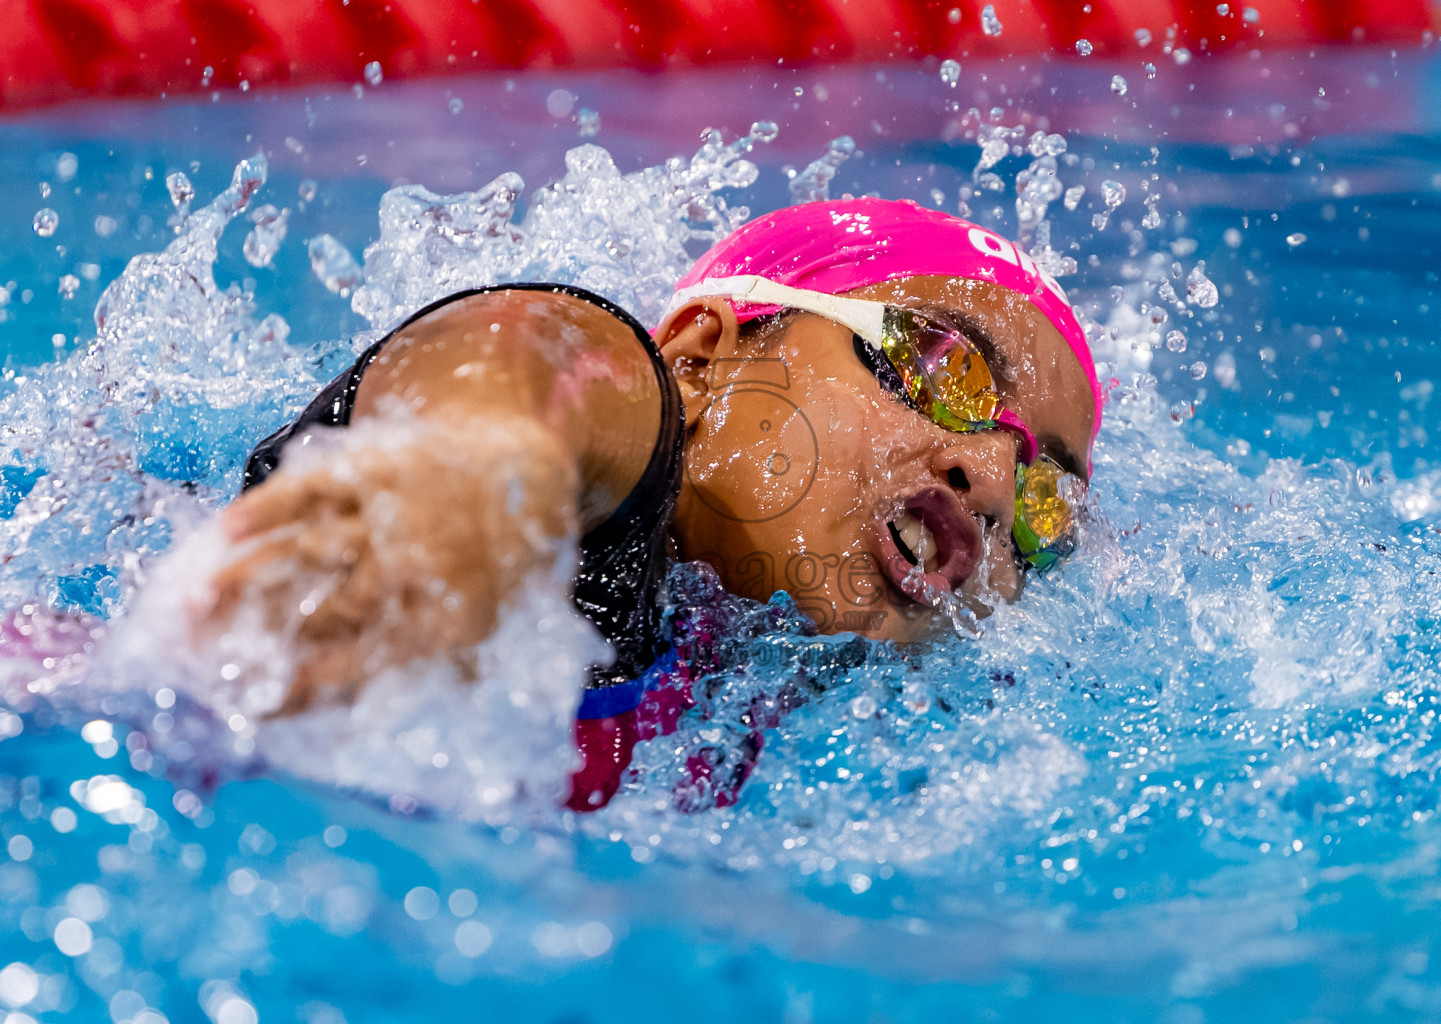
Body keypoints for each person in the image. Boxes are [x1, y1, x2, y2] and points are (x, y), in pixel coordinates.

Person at [200, 197, 1102, 809]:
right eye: (939, 365)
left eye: (1044, 495)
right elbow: (541, 356)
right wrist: (466, 471)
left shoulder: (840, 749)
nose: (990, 477)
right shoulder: (594, 534)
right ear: (702, 363)